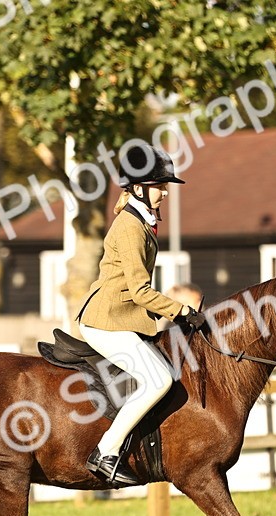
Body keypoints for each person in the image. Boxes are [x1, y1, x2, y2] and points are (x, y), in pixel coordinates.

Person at [76, 146, 205, 487]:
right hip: (106, 321)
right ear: (138, 188)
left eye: (165, 186)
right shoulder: (131, 227)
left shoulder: (141, 220)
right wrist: (182, 310)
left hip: (122, 317)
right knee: (159, 379)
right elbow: (140, 292)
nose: (165, 192)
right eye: (159, 185)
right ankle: (105, 452)